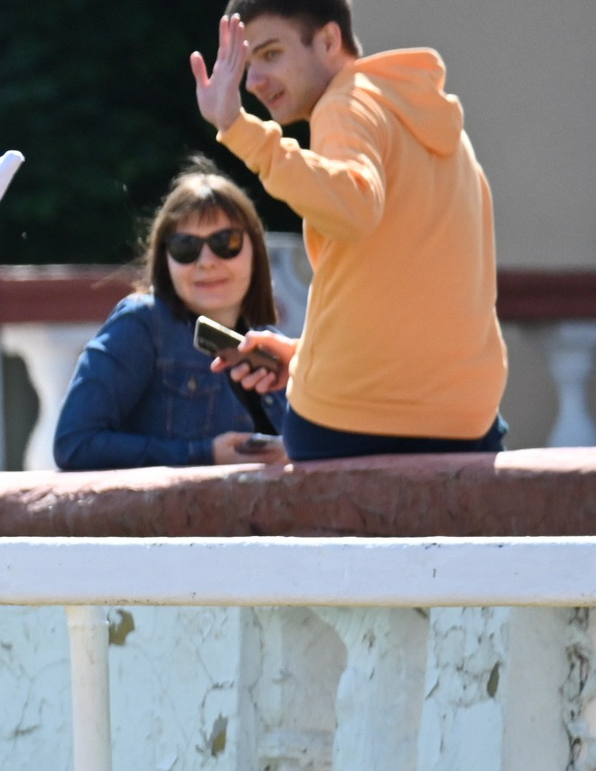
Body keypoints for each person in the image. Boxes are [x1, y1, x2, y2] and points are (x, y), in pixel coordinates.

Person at [190, 0, 506, 460]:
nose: (254, 81)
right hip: (468, 417)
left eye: (271, 54)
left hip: (352, 418)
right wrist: (302, 355)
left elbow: (354, 207)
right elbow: (414, 287)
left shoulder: (344, 104)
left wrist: (237, 128)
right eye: (249, 65)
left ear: (329, 41)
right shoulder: (438, 130)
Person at [54, 167, 289, 471]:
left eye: (225, 242)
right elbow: (74, 444)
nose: (207, 262)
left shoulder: (271, 343)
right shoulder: (143, 324)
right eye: (186, 247)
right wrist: (204, 453)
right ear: (165, 258)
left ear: (255, 248)